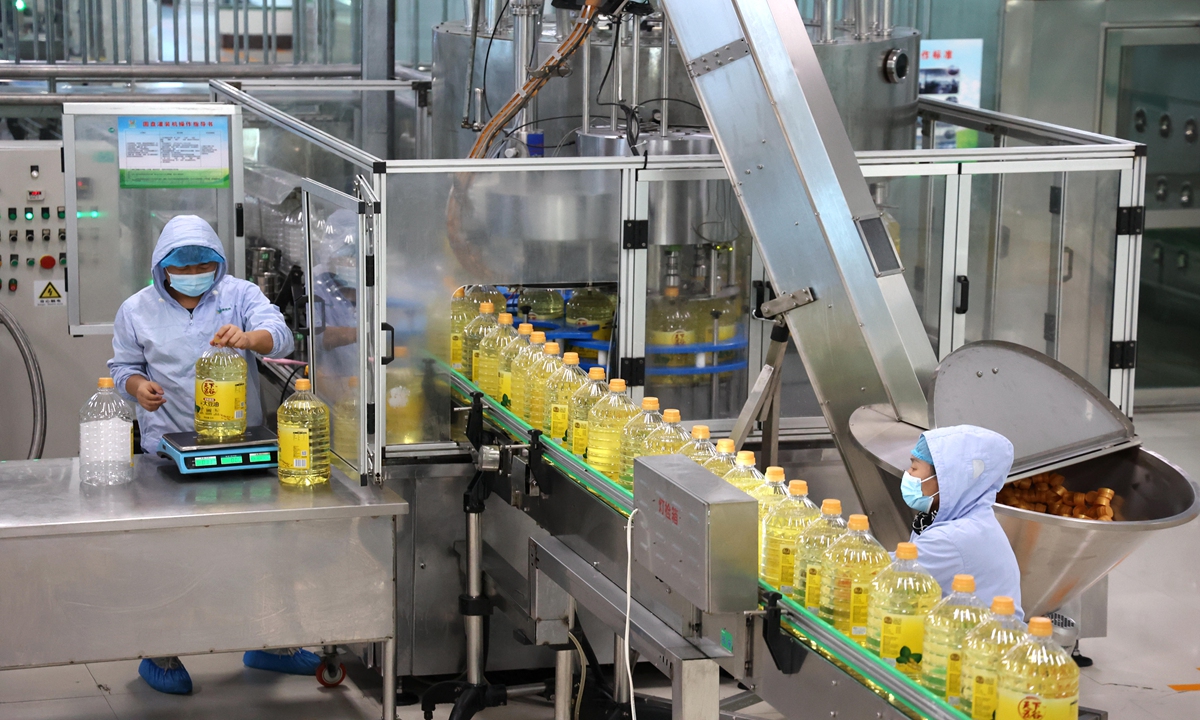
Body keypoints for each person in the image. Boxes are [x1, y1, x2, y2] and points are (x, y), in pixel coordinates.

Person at [108, 215, 320, 694]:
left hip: (236, 443)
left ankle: (271, 644)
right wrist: (139, 388)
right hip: (168, 449)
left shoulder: (238, 295)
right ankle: (160, 653)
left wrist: (248, 339)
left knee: (262, 548)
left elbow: (279, 333)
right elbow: (123, 367)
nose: (194, 274)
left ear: (217, 262)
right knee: (171, 556)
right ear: (162, 267)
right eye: (182, 267)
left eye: (203, 264)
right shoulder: (136, 309)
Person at [901, 424, 1024, 619]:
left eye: (914, 467)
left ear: (946, 479)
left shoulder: (953, 537)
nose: (908, 474)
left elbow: (880, 574)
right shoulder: (961, 520)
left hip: (982, 637)